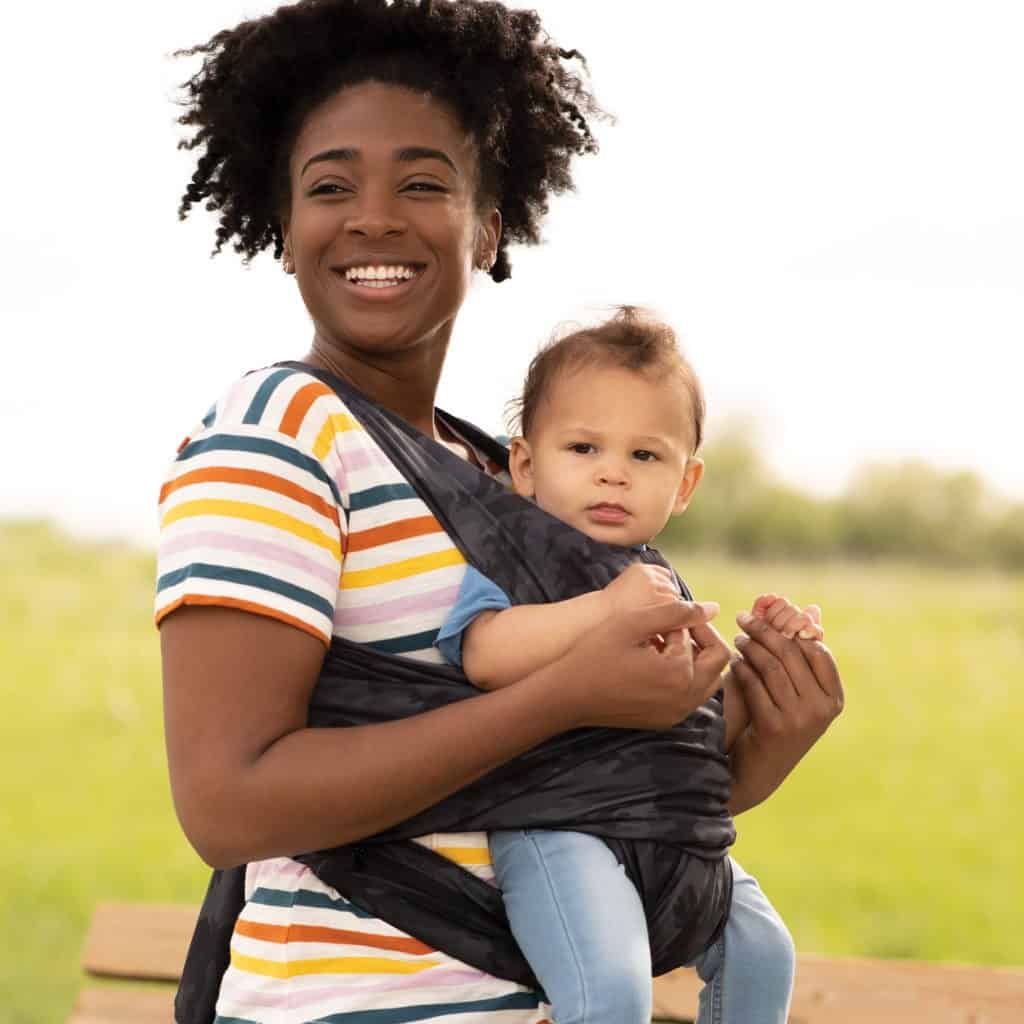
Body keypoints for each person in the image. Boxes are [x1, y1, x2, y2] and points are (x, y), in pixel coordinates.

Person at [158, 2, 845, 1022]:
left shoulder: (505, 473)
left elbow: (564, 803)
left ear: (487, 225)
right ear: (284, 223)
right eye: (329, 186)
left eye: (422, 183)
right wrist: (564, 693)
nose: (373, 217)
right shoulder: (279, 431)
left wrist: (753, 750)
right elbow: (228, 802)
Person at [433, 307, 823, 1024]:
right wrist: (600, 613)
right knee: (611, 992)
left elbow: (689, 725)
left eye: (645, 457)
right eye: (583, 448)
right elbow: (483, 653)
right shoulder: (516, 556)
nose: (613, 474)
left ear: (684, 484)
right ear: (525, 465)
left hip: (667, 828)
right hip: (557, 827)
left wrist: (766, 664)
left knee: (765, 948)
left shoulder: (656, 576)